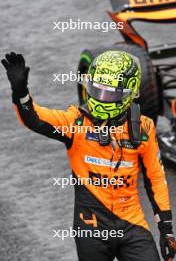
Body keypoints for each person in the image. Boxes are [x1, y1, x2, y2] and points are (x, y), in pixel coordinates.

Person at [1, 51, 176, 261]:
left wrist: (166, 230)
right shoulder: (76, 123)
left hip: (133, 224)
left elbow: (156, 180)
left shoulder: (143, 128)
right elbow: (36, 119)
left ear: (131, 93)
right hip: (91, 229)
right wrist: (20, 92)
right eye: (97, 90)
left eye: (110, 93)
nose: (102, 98)